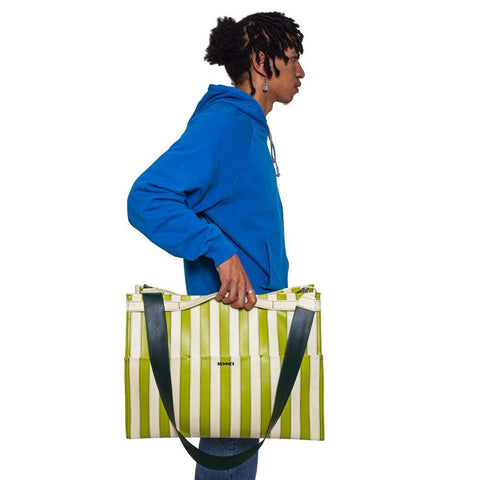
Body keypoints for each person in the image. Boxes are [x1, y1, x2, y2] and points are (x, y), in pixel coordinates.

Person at [127, 11, 305, 480]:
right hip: (233, 334)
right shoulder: (227, 125)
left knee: (235, 456)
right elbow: (146, 198)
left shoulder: (246, 126)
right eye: (292, 59)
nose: (301, 71)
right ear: (262, 62)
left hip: (252, 328)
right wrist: (218, 249)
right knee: (229, 457)